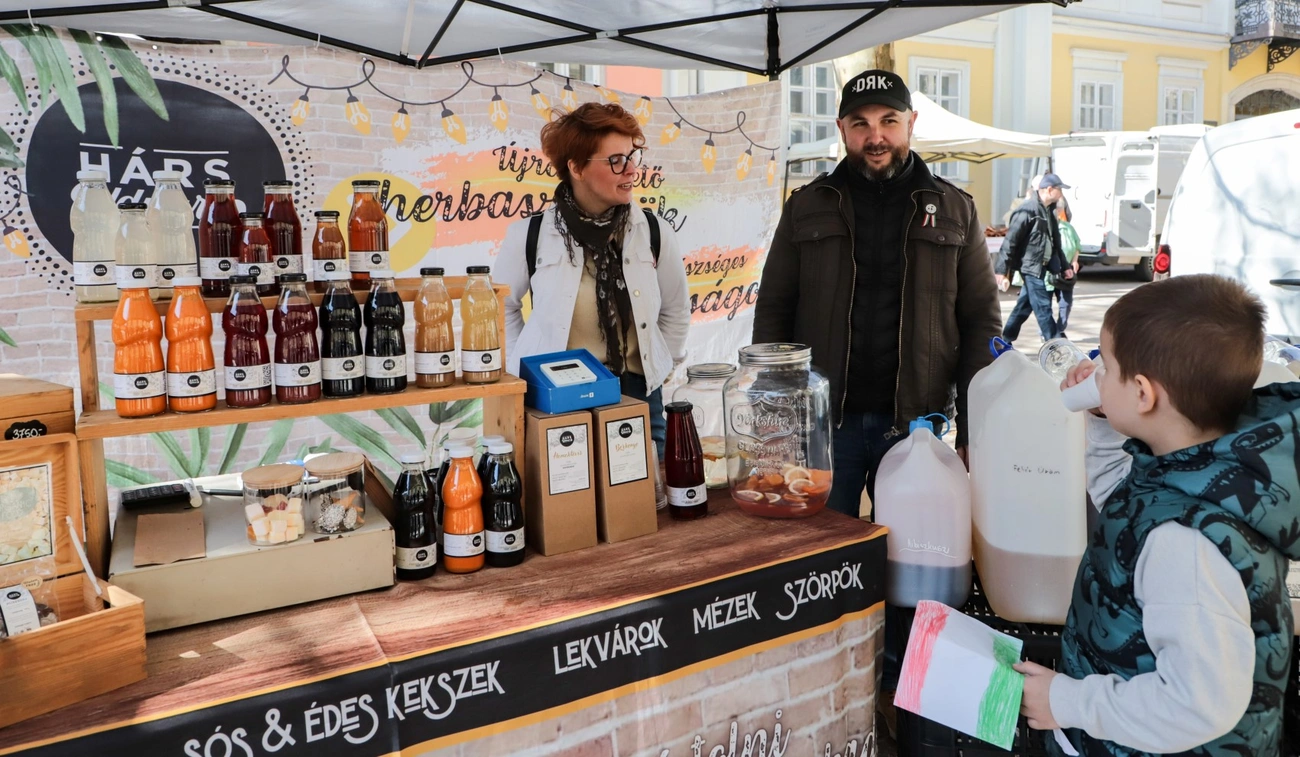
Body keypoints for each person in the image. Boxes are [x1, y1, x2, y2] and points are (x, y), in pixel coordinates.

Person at [1016, 274, 1300, 756]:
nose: (1095, 376)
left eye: (1106, 367)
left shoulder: (1185, 546)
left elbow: (1196, 705)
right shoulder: (1197, 465)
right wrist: (1105, 419)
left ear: (1144, 394)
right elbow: (1122, 497)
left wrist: (1067, 702)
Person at [753, 68, 1002, 516]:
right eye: (860, 124)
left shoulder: (956, 210)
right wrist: (775, 418)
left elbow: (981, 323)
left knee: (911, 545)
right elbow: (774, 312)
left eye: (889, 121)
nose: (875, 137)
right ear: (841, 129)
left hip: (917, 424)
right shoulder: (806, 206)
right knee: (824, 545)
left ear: (911, 122)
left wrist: (974, 428)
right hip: (824, 424)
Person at [498, 103, 691, 454]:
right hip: (561, 393)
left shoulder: (652, 231)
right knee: (569, 485)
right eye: (615, 160)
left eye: (633, 156)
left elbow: (675, 308)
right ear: (576, 167)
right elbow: (501, 308)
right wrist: (522, 369)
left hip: (639, 391)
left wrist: (662, 367)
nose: (631, 169)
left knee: (648, 486)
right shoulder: (530, 234)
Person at [997, 173, 1073, 344]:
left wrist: (1065, 266)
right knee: (1043, 306)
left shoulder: (1049, 211)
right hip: (1030, 266)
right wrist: (1001, 270)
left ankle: (1004, 340)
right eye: (1059, 189)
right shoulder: (1027, 210)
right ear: (1049, 189)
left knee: (1024, 306)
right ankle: (1055, 343)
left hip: (1042, 266)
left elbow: (1055, 243)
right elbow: (1010, 241)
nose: (1061, 194)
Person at [1047, 210, 1080, 337]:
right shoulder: (1043, 226)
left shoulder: (1068, 227)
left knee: (1066, 303)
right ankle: (1046, 331)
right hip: (1047, 272)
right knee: (1045, 306)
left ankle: (1060, 328)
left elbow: (1077, 245)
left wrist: (1075, 260)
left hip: (1066, 271)